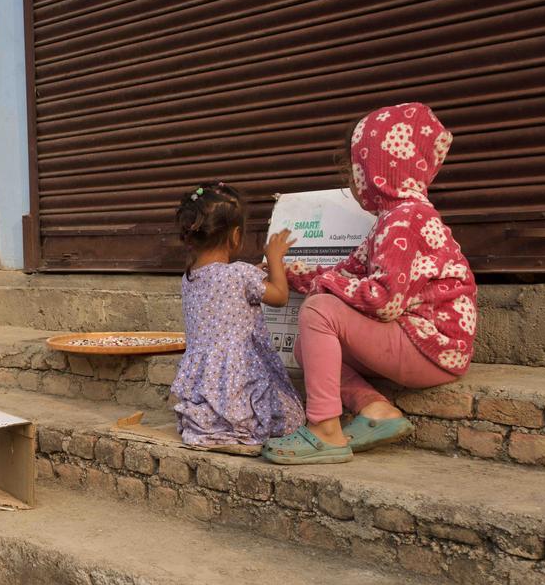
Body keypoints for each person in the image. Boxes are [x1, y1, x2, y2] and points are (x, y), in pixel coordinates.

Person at [262, 103, 476, 464]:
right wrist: (281, 272)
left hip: (432, 347)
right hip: (421, 344)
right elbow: (348, 272)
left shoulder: (405, 220)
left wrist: (326, 286)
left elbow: (385, 301)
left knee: (319, 311)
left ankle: (325, 430)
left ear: (378, 169)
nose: (351, 181)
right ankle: (377, 410)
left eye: (353, 169)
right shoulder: (394, 218)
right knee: (305, 348)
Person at [170, 183, 305, 451]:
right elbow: (279, 296)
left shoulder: (190, 277)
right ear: (235, 236)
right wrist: (274, 259)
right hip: (240, 374)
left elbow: (224, 286)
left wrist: (252, 274)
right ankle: (240, 427)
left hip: (205, 380)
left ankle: (213, 424)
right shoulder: (241, 275)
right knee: (294, 417)